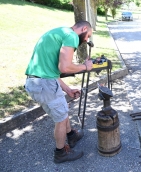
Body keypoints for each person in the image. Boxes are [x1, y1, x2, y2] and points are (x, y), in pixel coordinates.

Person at [24, 21, 94, 163]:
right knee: (61, 119)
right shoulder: (72, 36)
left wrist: (67, 89)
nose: (86, 40)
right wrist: (85, 67)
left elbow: (52, 71)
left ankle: (71, 135)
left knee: (62, 109)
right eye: (88, 36)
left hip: (37, 82)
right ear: (84, 28)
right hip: (44, 84)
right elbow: (65, 67)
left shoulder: (60, 32)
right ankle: (60, 153)